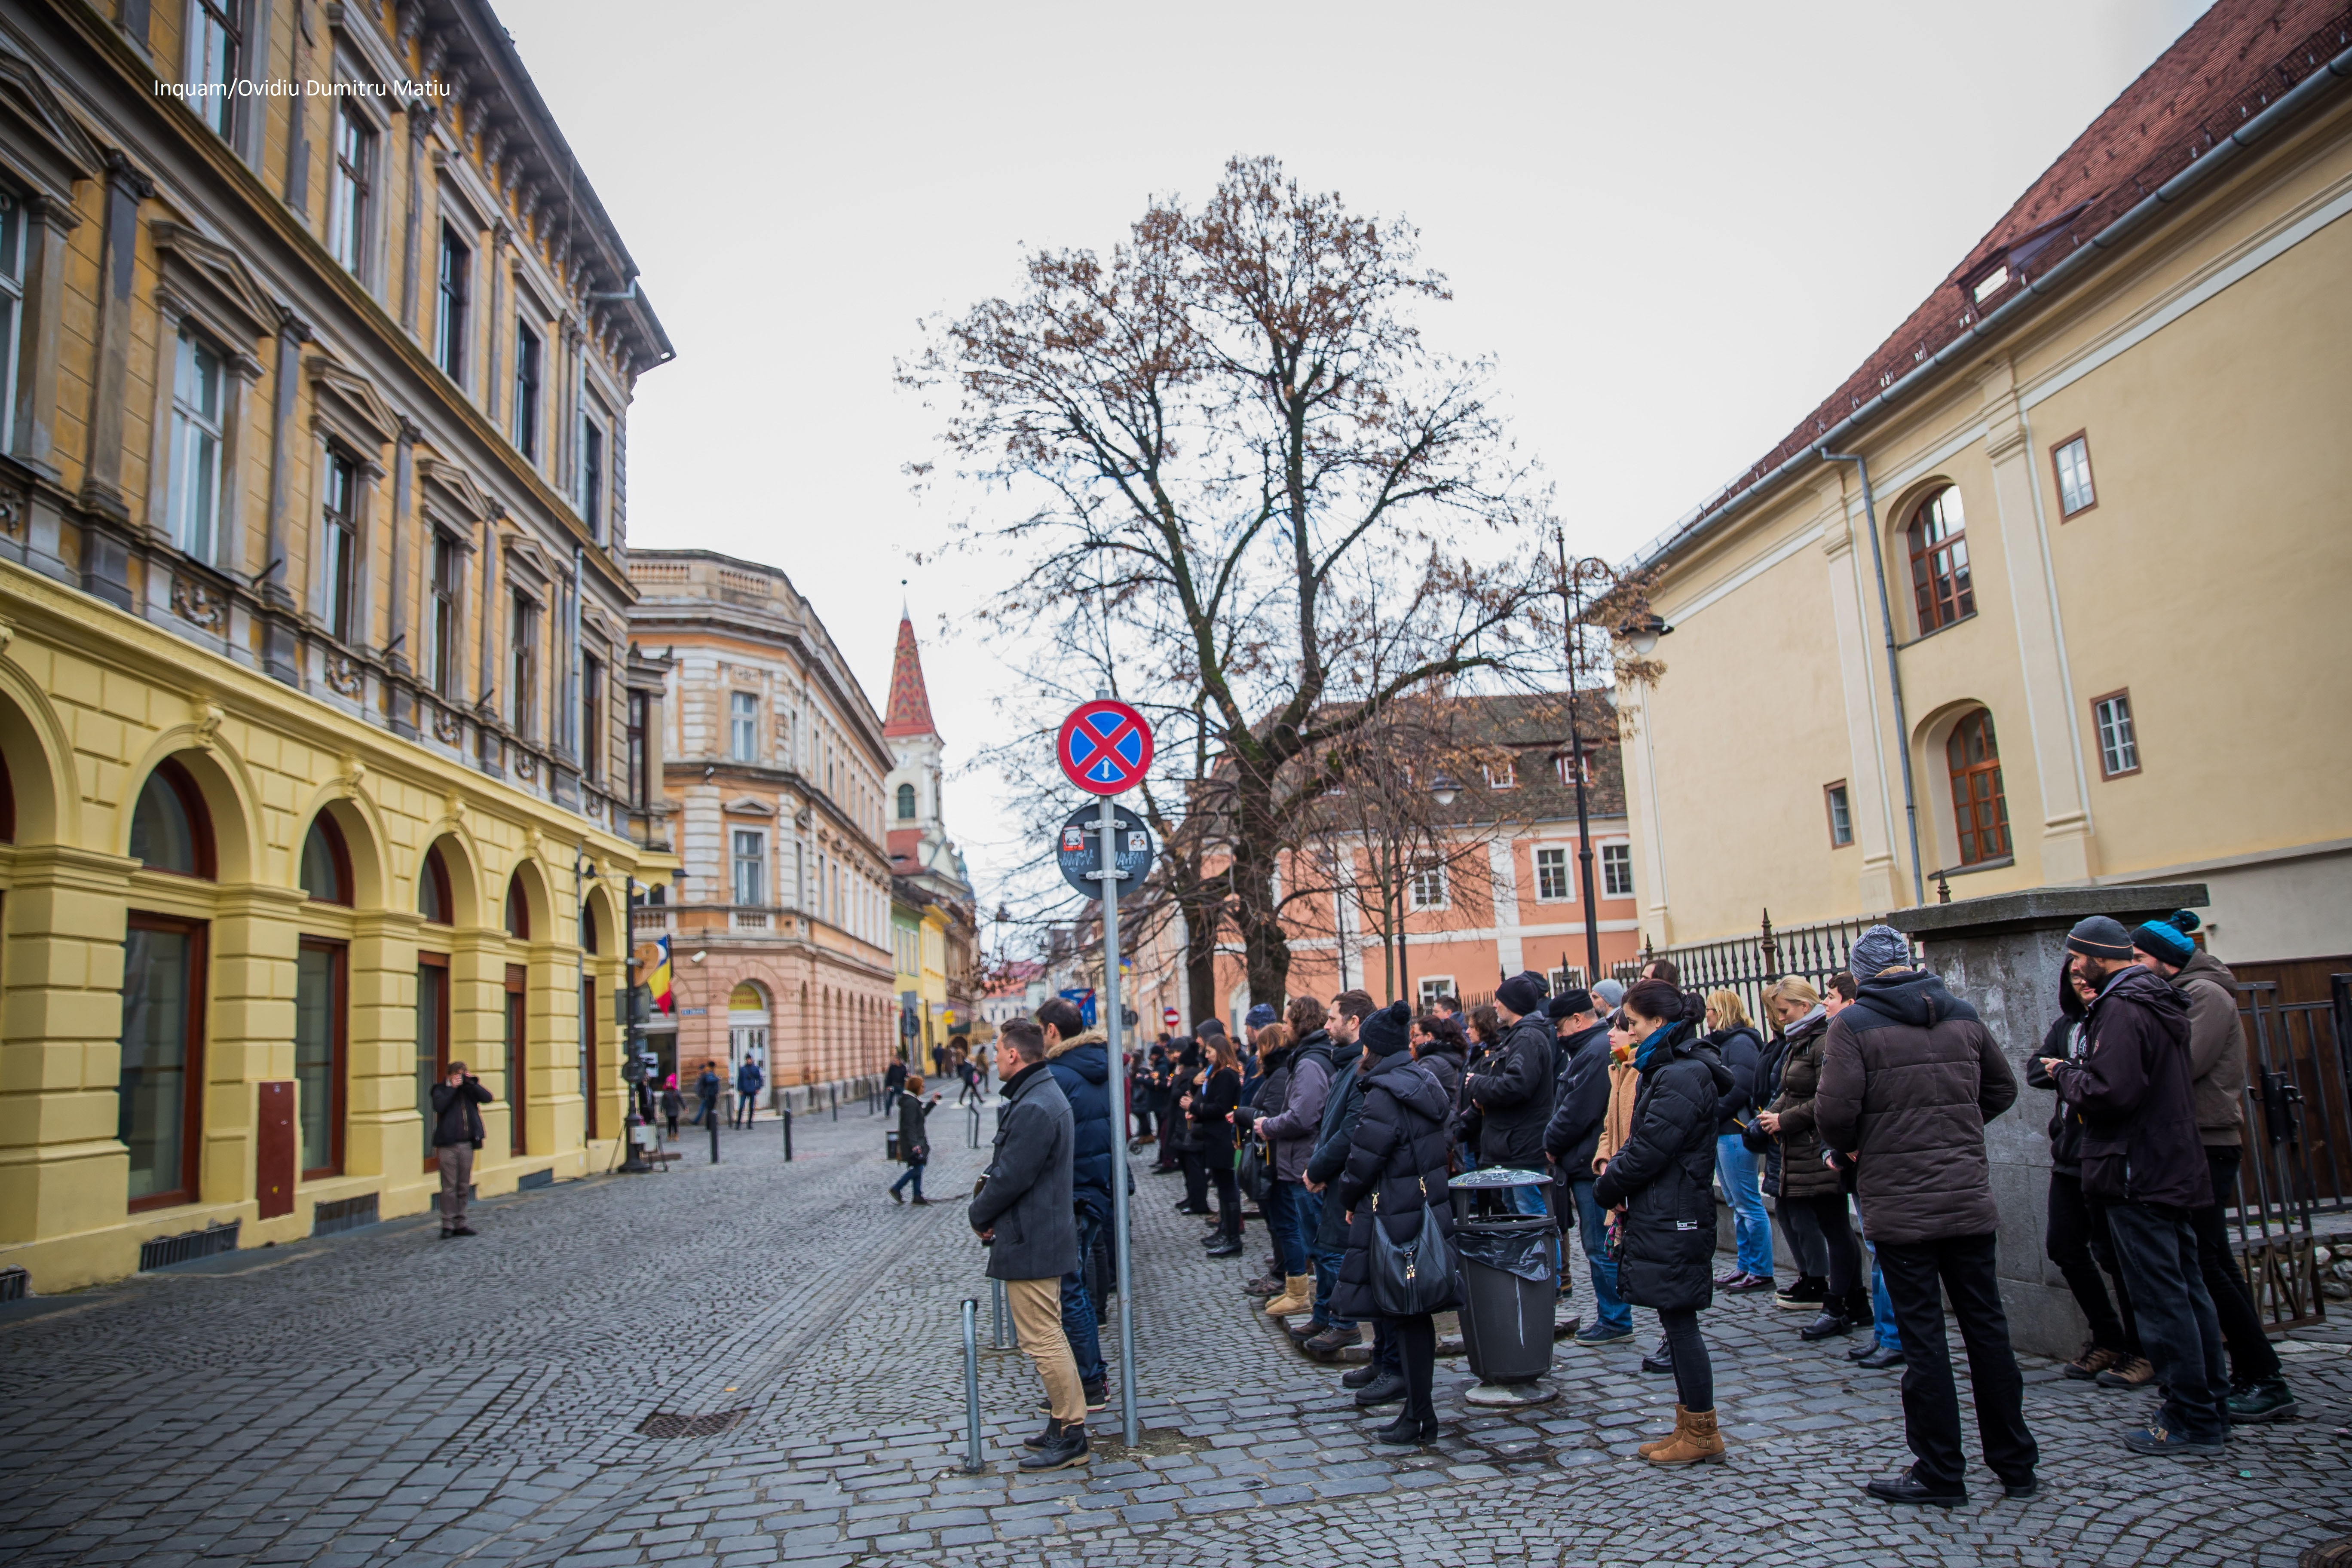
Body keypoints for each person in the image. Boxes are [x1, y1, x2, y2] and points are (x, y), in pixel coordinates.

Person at [1818, 924, 2037, 1507]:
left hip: (1900, 1199)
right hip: (1965, 1197)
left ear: (1861, 974)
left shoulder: (1854, 1024)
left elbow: (1835, 1112)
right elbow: (2001, 1089)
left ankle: (1942, 1471)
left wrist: (1857, 1148)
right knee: (1988, 1330)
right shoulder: (1961, 1012)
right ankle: (2016, 1464)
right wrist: (1955, 1133)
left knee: (1925, 1340)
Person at [2046, 915, 2229, 1458]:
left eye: (2080, 958)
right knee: (2186, 1289)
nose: (2076, 968)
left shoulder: (2124, 1007)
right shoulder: (2155, 997)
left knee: (2163, 1296)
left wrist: (2063, 1073)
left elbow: (2112, 1092)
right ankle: (2208, 1404)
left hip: (2136, 1169)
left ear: (2102, 956)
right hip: (2165, 1162)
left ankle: (2189, 1416)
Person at [2131, 911, 2299, 1424]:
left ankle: (2264, 1377)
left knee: (2207, 1263)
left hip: (2207, 1141)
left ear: (2165, 960)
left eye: (2139, 958)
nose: (2134, 967)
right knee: (2211, 1262)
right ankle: (2254, 1373)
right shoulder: (2190, 991)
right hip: (2196, 1141)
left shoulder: (2205, 995)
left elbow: (2183, 1064)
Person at [1593, 979, 1732, 1465]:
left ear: (1656, 1023)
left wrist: (1609, 1188)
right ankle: (1691, 1424)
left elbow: (1650, 1149)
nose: (1624, 1031)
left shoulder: (1679, 1075)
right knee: (1676, 1322)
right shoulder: (1668, 1069)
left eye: (1630, 1023)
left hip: (1676, 1213)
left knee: (1681, 1322)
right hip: (1666, 1209)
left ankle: (1701, 1431)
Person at [1333, 1001, 1457, 1445]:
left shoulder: (1384, 1091)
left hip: (1395, 1214)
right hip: (1425, 1207)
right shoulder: (1422, 1080)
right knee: (1415, 1314)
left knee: (1404, 1314)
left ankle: (1420, 1415)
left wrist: (1348, 1197)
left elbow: (1364, 1157)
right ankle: (1420, 1413)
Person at [968, 1018, 1088, 1471]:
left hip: (1033, 1235)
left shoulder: (1036, 1105)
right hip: (1037, 1231)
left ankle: (1073, 1430)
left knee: (1042, 1340)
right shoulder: (1038, 1095)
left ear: (1015, 1054)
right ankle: (1061, 1422)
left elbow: (1011, 1177)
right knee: (1046, 1334)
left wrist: (979, 1213)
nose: (994, 1056)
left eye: (998, 1049)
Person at [2026, 965, 2142, 1383]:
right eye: (2074, 978)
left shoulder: (2117, 1021)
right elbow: (2036, 1069)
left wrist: (2066, 1070)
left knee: (2116, 1255)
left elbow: (2107, 1082)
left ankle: (2141, 1348)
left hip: (2107, 1154)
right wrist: (2068, 1069)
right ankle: (2108, 1337)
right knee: (2064, 1247)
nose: (2081, 984)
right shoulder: (2067, 1024)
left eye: (2087, 977)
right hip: (2070, 1154)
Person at [1756, 977, 1865, 1336]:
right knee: (1828, 1225)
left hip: (1820, 1147)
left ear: (1805, 1006)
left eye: (1785, 1010)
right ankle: (1853, 1302)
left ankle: (1842, 1305)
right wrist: (1771, 1114)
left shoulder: (1823, 1039)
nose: (1781, 1018)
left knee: (1836, 1228)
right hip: (1802, 1148)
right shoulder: (1801, 1040)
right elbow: (1790, 1089)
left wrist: (1783, 1120)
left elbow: (1826, 1098)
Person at [1040, 998, 1114, 1413]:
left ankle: (1088, 1381)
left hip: (1071, 1192)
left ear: (1052, 1031)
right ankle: (1087, 1378)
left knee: (1070, 1291)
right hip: (1095, 1187)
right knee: (1077, 1285)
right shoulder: (1098, 1066)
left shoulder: (1059, 1074)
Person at [1545, 989, 1631, 1346]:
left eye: (1561, 1027)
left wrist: (1551, 1142)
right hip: (1586, 1161)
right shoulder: (1591, 1050)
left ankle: (1615, 1319)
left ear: (1578, 1020)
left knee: (1600, 1247)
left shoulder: (1593, 1052)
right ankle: (1612, 1316)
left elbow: (1576, 1111)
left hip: (1590, 1164)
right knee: (1598, 1246)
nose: (1559, 1035)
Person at [1302, 992, 1375, 1360]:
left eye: (1332, 1019)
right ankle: (1327, 1315)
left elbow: (1350, 1132)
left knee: (1338, 1254)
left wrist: (1318, 1167)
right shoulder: (1346, 1064)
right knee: (1328, 1249)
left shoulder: (1361, 1068)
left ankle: (1344, 1323)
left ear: (1354, 1022)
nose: (1327, 1026)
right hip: (1335, 1174)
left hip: (1346, 1178)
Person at [1255, 998, 1338, 1318]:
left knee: (1321, 1247)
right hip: (1302, 1161)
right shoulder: (1305, 1059)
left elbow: (1302, 1116)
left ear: (1301, 1024)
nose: (1284, 1027)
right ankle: (1322, 1311)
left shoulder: (1308, 1063)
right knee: (1316, 1243)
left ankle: (1331, 1316)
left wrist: (1268, 1126)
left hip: (1307, 1163)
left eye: (1288, 1022)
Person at [1463, 971, 1557, 1213]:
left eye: (1499, 1000)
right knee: (1517, 1211)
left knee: (1531, 1212)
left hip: (1521, 1145)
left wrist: (1477, 1084)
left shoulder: (1526, 1037)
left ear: (1513, 1004)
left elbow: (1517, 1085)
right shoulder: (1519, 1036)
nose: (1495, 1005)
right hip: (1512, 1144)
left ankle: (1543, 1253)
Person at [1702, 989, 1772, 1293]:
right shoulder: (1726, 1042)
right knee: (1736, 1203)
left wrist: (1712, 1112)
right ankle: (1747, 1266)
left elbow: (1742, 1085)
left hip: (1735, 1130)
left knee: (1747, 1204)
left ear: (1723, 1011)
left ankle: (1760, 1269)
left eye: (1710, 1011)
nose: (1707, 1017)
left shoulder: (1741, 1042)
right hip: (1723, 1130)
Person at [1186, 1026, 1245, 1259]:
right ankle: (1225, 1231)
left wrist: (1193, 1107)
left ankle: (1232, 1237)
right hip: (1216, 1137)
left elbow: (1219, 1108)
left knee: (1227, 1187)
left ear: (1219, 1052)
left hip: (1221, 1137)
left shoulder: (1225, 1075)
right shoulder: (1219, 1074)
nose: (1206, 1055)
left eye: (1210, 1051)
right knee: (1223, 1187)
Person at [429, 1062, 493, 1238]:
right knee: (449, 1187)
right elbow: (439, 1106)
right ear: (449, 1075)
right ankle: (447, 1224)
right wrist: (452, 1088)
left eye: (463, 1074)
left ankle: (461, 1223)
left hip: (467, 1144)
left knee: (463, 1186)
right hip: (448, 1145)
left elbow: (488, 1098)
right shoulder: (440, 1089)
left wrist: (472, 1083)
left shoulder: (469, 1091)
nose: (460, 1077)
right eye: (457, 1074)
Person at [889, 1074, 940, 1204]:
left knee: (919, 1165)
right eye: (922, 1086)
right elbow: (909, 1126)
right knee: (918, 1167)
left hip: (917, 1140)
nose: (924, 1088)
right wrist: (915, 1145)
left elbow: (921, 1116)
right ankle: (897, 1188)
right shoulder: (910, 1104)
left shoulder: (912, 1101)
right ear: (916, 1088)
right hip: (913, 1141)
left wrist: (932, 1103)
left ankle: (917, 1195)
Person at [733, 1052, 765, 1129]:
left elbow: (759, 1079)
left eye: (750, 1059)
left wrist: (758, 1088)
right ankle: (738, 1124)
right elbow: (739, 1080)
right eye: (748, 1059)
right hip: (744, 1090)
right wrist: (740, 1089)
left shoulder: (755, 1069)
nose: (749, 1061)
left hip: (752, 1090)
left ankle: (750, 1123)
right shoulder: (743, 1069)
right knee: (741, 1107)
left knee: (751, 1108)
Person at [692, 1061, 721, 1128]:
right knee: (710, 1109)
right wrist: (718, 1078)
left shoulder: (707, 1073)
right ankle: (709, 1124)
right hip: (710, 1094)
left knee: (708, 1109)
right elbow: (709, 1081)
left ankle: (702, 1122)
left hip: (708, 1094)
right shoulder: (709, 1073)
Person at [660, 1075, 683, 1141]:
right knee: (669, 1123)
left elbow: (681, 1100)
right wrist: (662, 1110)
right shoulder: (665, 1093)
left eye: (670, 1083)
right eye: (668, 1083)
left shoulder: (676, 1092)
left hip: (675, 1109)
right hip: (669, 1110)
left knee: (675, 1123)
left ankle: (676, 1134)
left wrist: (685, 1107)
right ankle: (669, 1134)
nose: (669, 1084)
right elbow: (663, 1102)